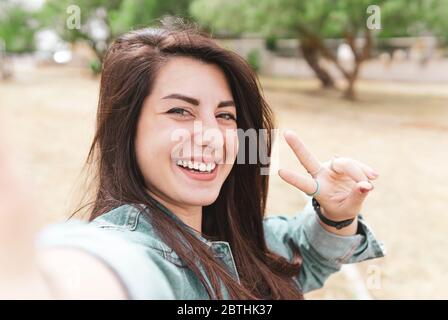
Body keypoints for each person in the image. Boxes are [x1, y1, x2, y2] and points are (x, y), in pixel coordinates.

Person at [0, 19, 384, 300]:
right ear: (128, 129)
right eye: (179, 112)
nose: (211, 136)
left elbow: (308, 257)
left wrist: (335, 215)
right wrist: (34, 280)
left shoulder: (236, 238)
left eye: (225, 115)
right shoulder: (136, 251)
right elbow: (107, 270)